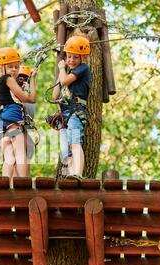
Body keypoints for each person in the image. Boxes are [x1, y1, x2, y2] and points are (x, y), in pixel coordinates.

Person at [0, 47, 37, 181]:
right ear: (2, 67)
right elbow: (30, 99)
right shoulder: (8, 79)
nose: (14, 70)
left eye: (16, 67)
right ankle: (23, 183)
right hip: (13, 120)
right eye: (11, 67)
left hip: (1, 123)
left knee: (9, 158)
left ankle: (5, 185)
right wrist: (33, 80)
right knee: (20, 154)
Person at [52, 35, 91, 181]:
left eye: (75, 57)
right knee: (65, 149)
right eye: (69, 57)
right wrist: (62, 71)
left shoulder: (83, 68)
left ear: (82, 58)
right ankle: (70, 174)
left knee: (75, 141)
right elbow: (55, 95)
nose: (71, 60)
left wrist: (62, 68)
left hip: (75, 111)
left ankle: (78, 173)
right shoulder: (66, 72)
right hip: (64, 114)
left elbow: (65, 81)